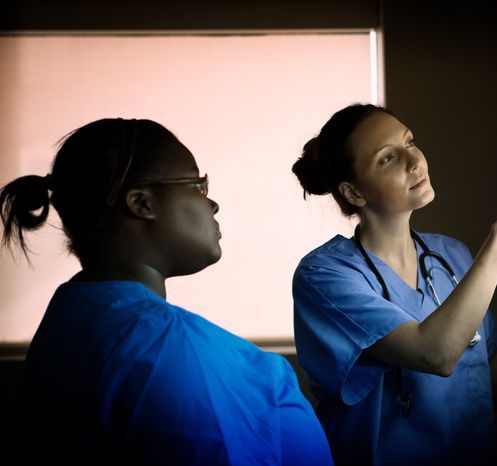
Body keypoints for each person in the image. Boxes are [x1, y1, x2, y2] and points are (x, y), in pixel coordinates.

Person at [1, 118, 333, 465]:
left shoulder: (67, 322)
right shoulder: (166, 345)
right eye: (197, 184)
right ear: (141, 203)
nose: (212, 204)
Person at [290, 103, 497, 464]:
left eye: (410, 142)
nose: (414, 161)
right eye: (387, 158)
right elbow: (436, 354)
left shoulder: (452, 255)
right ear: (354, 193)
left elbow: (488, 391)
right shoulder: (323, 276)